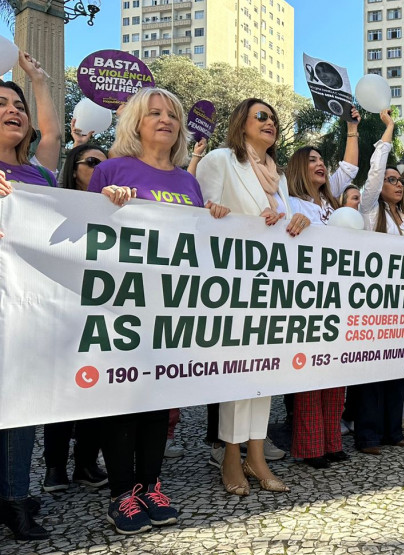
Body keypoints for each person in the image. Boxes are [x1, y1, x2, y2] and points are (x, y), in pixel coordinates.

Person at [88, 87, 230, 533]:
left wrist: (216, 215)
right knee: (122, 400)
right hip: (123, 305)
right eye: (154, 113)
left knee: (157, 401)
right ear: (135, 122)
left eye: (172, 114)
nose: (165, 120)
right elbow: (88, 234)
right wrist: (105, 204)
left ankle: (151, 485)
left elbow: (195, 238)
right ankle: (121, 494)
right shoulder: (111, 169)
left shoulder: (189, 182)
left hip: (171, 310)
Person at [198, 97, 305, 495]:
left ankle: (256, 456)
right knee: (238, 373)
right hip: (234, 286)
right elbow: (205, 214)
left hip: (275, 289)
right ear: (241, 122)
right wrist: (239, 219)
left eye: (274, 118)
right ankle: (230, 455)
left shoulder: (277, 176)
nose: (270, 122)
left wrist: (297, 218)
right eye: (262, 116)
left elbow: (290, 227)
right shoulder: (220, 160)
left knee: (266, 372)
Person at [0, 51, 62, 542]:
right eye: (0, 103)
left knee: (20, 411)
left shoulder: (40, 177)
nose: (12, 110)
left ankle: (16, 499)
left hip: (28, 312)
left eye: (17, 105)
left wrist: (38, 80)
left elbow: (54, 137)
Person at [283, 112, 360, 467]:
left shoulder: (331, 204)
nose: (320, 164)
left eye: (321, 160)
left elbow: (348, 165)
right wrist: (291, 221)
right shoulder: (290, 201)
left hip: (337, 298)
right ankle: (311, 447)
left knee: (337, 374)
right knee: (311, 377)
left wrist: (353, 130)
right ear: (299, 168)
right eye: (311, 160)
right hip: (306, 300)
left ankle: (332, 441)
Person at [350, 108, 404, 453]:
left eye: (399, 181)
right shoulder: (370, 211)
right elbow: (375, 174)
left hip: (403, 305)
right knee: (372, 376)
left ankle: (393, 431)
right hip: (373, 305)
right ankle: (368, 435)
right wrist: (388, 131)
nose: (396, 184)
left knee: (399, 371)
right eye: (393, 180)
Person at [43, 142, 109, 493]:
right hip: (64, 311)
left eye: (105, 165)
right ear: (73, 167)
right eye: (92, 163)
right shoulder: (54, 206)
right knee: (62, 394)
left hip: (103, 314)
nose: (100, 170)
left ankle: (86, 463)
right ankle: (54, 467)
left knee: (96, 391)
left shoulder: (116, 209)